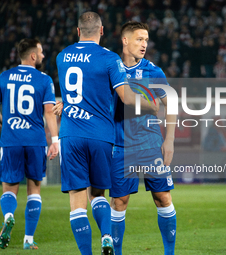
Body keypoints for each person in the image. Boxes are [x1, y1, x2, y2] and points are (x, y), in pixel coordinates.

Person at [55, 12, 157, 255]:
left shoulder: (61, 57)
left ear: (78, 31)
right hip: (101, 135)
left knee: (77, 202)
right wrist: (151, 103)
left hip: (70, 133)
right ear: (101, 31)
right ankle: (107, 236)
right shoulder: (110, 59)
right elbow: (125, 97)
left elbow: (76, 93)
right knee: (99, 194)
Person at [109, 21, 177, 255]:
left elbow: (171, 103)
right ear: (125, 40)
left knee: (163, 197)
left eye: (146, 40)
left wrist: (169, 141)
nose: (144, 44)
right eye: (139, 39)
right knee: (119, 202)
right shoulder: (110, 68)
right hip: (121, 145)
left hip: (150, 144)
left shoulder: (153, 71)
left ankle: (170, 253)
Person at [0, 38, 59, 250]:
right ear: (33, 56)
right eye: (41, 52)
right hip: (35, 141)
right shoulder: (44, 80)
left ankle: (9, 216)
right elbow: (49, 112)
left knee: (9, 188)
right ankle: (28, 240)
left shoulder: (4, 76)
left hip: (11, 140)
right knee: (34, 189)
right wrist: (55, 141)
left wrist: (5, 123)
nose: (44, 56)